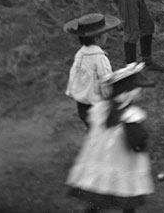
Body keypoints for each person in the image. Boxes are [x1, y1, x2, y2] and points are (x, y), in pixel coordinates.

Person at [66, 63, 154, 212]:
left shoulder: (101, 109)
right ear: (129, 92)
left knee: (101, 194)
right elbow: (138, 143)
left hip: (101, 162)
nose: (141, 92)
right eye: (138, 89)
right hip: (124, 163)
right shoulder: (131, 114)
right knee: (127, 195)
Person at [64, 13, 121, 127]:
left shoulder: (80, 54)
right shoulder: (100, 59)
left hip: (82, 106)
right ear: (96, 38)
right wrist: (111, 98)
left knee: (91, 129)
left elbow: (74, 76)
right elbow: (106, 81)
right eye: (105, 33)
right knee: (102, 132)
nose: (107, 35)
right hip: (96, 106)